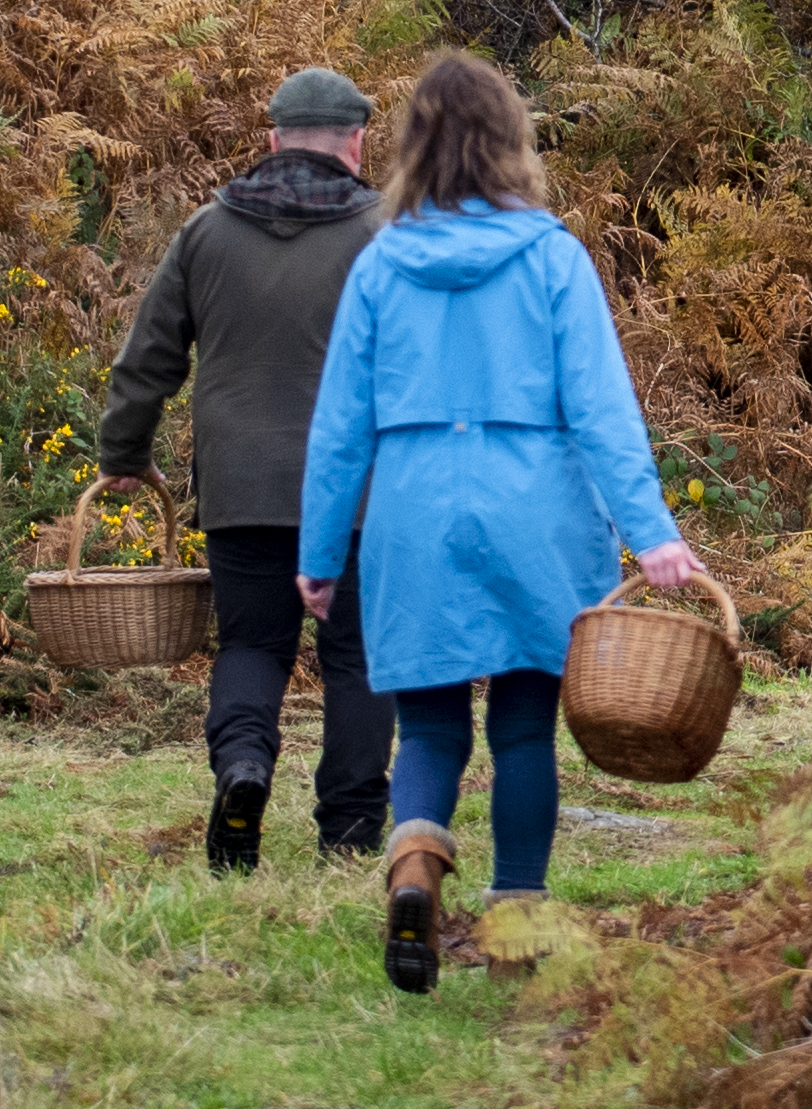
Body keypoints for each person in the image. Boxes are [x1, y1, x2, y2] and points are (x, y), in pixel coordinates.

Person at [293, 52, 706, 995]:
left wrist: (319, 552)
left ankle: (411, 873)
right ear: (510, 141)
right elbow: (603, 410)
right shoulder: (553, 256)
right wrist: (651, 532)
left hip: (414, 506)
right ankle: (519, 915)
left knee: (431, 727)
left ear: (412, 147)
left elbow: (339, 424)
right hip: (536, 507)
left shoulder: (379, 264)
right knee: (524, 727)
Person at [96, 64, 394, 872]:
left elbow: (148, 357)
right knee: (357, 657)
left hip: (240, 489)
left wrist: (123, 452)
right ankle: (353, 828)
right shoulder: (383, 238)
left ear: (270, 140)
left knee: (253, 646)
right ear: (358, 143)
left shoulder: (206, 231)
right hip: (363, 496)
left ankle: (243, 770)